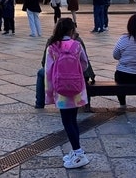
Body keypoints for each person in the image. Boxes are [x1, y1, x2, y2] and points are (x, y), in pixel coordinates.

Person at [44, 18, 91, 169]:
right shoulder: (77, 45)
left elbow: (48, 71)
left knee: (67, 122)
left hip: (61, 91)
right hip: (76, 89)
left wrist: (49, 94)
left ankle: (79, 153)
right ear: (72, 31)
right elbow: (85, 64)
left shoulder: (52, 47)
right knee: (73, 120)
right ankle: (77, 150)